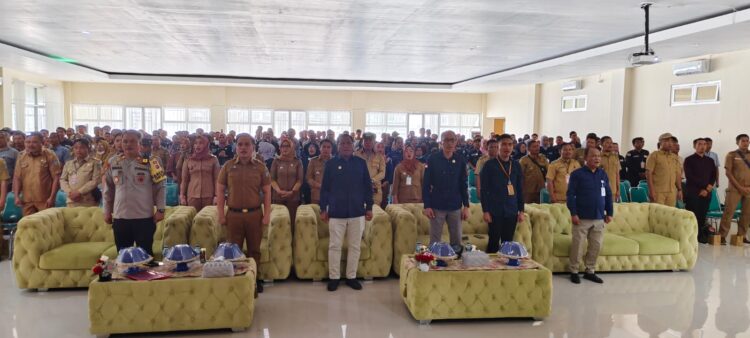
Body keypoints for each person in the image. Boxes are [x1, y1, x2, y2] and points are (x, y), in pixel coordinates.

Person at [216, 133, 271, 294]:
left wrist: (267, 213)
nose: (244, 148)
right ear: (236, 147)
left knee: (254, 250)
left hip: (254, 215)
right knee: (233, 250)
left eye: (247, 144)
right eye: (240, 144)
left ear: (253, 147)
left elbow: (267, 192)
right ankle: (236, 281)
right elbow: (220, 190)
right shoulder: (228, 166)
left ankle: (255, 279)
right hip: (234, 215)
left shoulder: (260, 167)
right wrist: (220, 213)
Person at [319, 134, 373, 292]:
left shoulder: (361, 163)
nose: (346, 146)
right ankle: (334, 277)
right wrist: (323, 209)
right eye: (342, 143)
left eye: (348, 143)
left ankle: (351, 276)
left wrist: (369, 207)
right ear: (338, 145)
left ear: (353, 145)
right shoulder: (331, 164)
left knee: (355, 246)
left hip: (357, 212)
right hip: (336, 212)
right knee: (335, 246)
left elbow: (367, 187)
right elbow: (325, 189)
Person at [103, 130, 166, 258]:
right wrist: (106, 211)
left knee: (146, 257)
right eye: (125, 141)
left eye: (132, 141)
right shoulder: (113, 162)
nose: (128, 144)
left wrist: (160, 210)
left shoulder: (151, 162)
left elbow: (161, 187)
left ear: (139, 143)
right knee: (123, 257)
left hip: (143, 218)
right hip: (120, 218)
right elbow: (108, 189)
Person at [566, 147, 613, 284]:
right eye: (593, 156)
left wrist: (609, 212)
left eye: (599, 156)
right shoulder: (577, 174)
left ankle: (590, 270)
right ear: (585, 158)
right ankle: (574, 271)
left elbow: (608, 194)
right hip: (581, 217)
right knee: (578, 246)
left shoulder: (603, 174)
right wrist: (573, 213)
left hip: (599, 217)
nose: (597, 158)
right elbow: (570, 195)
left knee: (595, 246)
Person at [423, 131, 469, 247]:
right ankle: (434, 264)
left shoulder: (460, 160)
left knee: (457, 242)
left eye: (452, 140)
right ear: (441, 142)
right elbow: (426, 184)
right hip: (437, 206)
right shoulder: (432, 159)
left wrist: (466, 206)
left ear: (456, 142)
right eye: (446, 140)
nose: (449, 143)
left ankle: (456, 265)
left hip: (455, 206)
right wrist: (427, 206)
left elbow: (463, 184)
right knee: (435, 242)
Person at [480, 136, 525, 253]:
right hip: (495, 210)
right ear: (498, 146)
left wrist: (521, 210)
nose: (507, 147)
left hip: (511, 209)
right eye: (504, 144)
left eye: (510, 144)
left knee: (508, 243)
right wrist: (485, 211)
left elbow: (520, 189)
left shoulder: (516, 165)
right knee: (493, 242)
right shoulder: (489, 165)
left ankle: (506, 269)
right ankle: (492, 269)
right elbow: (484, 190)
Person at [13, 132, 61, 216]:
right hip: (27, 200)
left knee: (46, 225)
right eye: (28, 142)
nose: (31, 145)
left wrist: (52, 197)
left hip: (45, 199)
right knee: (29, 225)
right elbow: (17, 177)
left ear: (41, 143)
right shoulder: (21, 156)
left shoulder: (50, 155)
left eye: (34, 142)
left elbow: (56, 177)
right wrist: (16, 196)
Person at [683, 138, 717, 244]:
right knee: (692, 215)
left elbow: (713, 175)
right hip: (694, 192)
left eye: (704, 144)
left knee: (702, 215)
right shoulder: (689, 159)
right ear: (695, 146)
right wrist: (704, 187)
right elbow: (690, 176)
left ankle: (700, 235)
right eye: (699, 144)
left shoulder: (710, 161)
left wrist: (709, 187)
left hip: (707, 192)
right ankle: (690, 236)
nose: (702, 146)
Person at [718, 134, 750, 245]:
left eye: (747, 140)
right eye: (743, 141)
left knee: (747, 214)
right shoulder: (731, 155)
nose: (746, 143)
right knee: (729, 212)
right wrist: (740, 187)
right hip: (734, 189)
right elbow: (728, 173)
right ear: (737, 142)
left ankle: (741, 235)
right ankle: (722, 236)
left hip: (748, 189)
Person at [180, 134, 220, 212]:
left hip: (209, 196)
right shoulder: (188, 160)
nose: (198, 145)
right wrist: (182, 196)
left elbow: (217, 179)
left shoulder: (213, 159)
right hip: (192, 195)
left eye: (201, 143)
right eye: (196, 143)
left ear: (206, 145)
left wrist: (217, 196)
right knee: (192, 218)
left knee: (207, 220)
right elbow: (184, 180)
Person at [270, 139, 303, 229]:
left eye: (287, 146)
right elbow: (272, 180)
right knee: (278, 222)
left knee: (292, 222)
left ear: (292, 147)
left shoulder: (297, 162)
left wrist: (292, 192)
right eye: (283, 146)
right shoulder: (276, 161)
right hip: (278, 196)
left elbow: (300, 180)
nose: (285, 148)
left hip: (293, 196)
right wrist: (279, 191)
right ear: (280, 148)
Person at [60, 139, 102, 207]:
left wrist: (79, 192)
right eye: (76, 148)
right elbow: (63, 180)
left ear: (88, 148)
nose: (78, 150)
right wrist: (70, 193)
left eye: (82, 147)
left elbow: (95, 180)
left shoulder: (95, 163)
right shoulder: (68, 163)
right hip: (71, 200)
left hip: (88, 201)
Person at [646, 133, 682, 206]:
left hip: (672, 192)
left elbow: (677, 175)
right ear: (660, 143)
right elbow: (648, 173)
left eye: (671, 141)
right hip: (658, 192)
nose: (670, 143)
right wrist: (651, 191)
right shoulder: (654, 155)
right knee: (657, 214)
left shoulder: (675, 157)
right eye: (667, 141)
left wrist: (679, 189)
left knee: (670, 214)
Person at [355, 133, 386, 206]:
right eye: (366, 141)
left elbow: (382, 173)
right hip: (360, 189)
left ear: (374, 142)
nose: (368, 143)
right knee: (360, 213)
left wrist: (372, 180)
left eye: (370, 141)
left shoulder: (379, 156)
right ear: (362, 142)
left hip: (375, 190)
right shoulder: (356, 155)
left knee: (375, 212)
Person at [306, 139, 333, 205]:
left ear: (331, 149)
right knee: (316, 214)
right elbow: (308, 178)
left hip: (332, 196)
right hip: (316, 196)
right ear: (320, 148)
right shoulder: (313, 161)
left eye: (328, 147)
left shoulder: (336, 161)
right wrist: (320, 186)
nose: (326, 149)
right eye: (324, 147)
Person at [600, 136, 621, 202]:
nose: (610, 145)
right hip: (600, 189)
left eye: (611, 143)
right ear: (601, 144)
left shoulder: (615, 157)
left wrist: (618, 190)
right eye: (607, 142)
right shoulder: (597, 156)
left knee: (611, 210)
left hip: (613, 190)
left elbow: (617, 174)